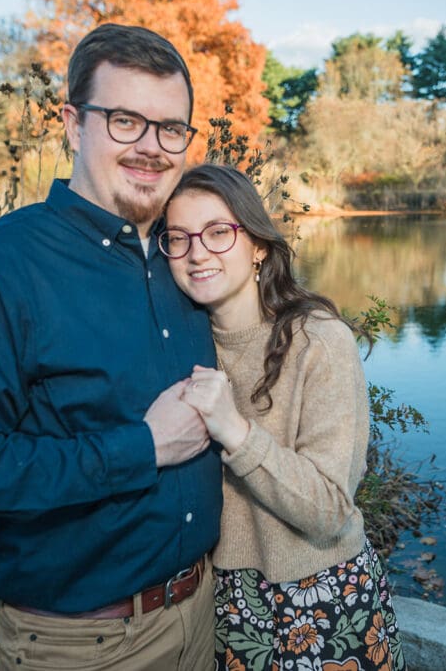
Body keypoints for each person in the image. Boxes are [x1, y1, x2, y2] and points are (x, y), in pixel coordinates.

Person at [0, 24, 220, 670]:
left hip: (202, 612)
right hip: (81, 645)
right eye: (126, 121)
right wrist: (140, 448)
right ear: (73, 124)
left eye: (171, 128)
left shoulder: (188, 257)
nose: (152, 148)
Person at [160, 163, 405, 670]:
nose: (197, 252)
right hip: (222, 602)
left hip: (322, 596)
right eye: (178, 238)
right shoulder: (176, 347)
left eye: (217, 232)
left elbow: (331, 508)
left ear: (259, 246)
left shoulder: (318, 341)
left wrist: (236, 431)